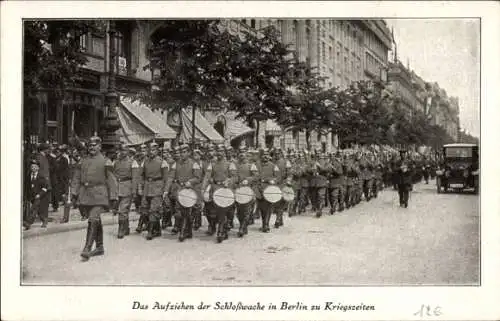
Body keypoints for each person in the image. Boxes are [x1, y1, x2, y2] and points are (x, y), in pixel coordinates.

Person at [71, 135, 117, 262]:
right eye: (90, 145)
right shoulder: (83, 161)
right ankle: (100, 246)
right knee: (96, 220)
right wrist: (74, 193)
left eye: (94, 145)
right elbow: (76, 178)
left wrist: (114, 197)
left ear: (100, 146)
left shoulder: (106, 161)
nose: (91, 147)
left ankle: (87, 248)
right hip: (85, 195)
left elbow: (111, 180)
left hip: (99, 195)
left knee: (93, 219)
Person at [166, 144, 202, 242]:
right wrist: (166, 189)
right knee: (179, 211)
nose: (182, 154)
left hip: (189, 190)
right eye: (181, 152)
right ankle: (187, 231)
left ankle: (184, 232)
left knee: (187, 211)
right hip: (179, 189)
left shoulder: (194, 163)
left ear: (189, 153)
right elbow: (170, 177)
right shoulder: (176, 163)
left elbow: (198, 178)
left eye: (184, 152)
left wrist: (190, 182)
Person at [141, 141, 170, 240]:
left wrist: (165, 190)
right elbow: (142, 175)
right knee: (146, 208)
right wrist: (141, 187)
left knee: (154, 209)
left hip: (158, 187)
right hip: (147, 187)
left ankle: (151, 231)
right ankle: (157, 230)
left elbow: (166, 178)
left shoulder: (162, 162)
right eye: (150, 150)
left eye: (153, 150)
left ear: (157, 151)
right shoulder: (145, 161)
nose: (151, 152)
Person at [113, 144, 140, 239]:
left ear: (128, 151)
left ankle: (121, 229)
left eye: (125, 150)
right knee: (123, 209)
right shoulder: (116, 162)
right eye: (121, 150)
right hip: (117, 187)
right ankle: (126, 228)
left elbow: (135, 177)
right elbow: (113, 175)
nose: (123, 152)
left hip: (127, 186)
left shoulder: (133, 162)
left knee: (123, 210)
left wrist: (134, 190)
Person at [233, 146, 258, 237]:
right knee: (239, 211)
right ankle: (243, 225)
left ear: (246, 153)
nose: (242, 154)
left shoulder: (251, 165)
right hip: (237, 190)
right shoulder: (234, 165)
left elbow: (256, 176)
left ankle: (242, 227)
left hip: (248, 190)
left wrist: (248, 179)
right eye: (240, 152)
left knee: (246, 210)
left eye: (243, 152)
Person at [256, 149, 280, 233]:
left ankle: (266, 225)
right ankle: (264, 224)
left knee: (268, 207)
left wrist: (272, 180)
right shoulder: (256, 165)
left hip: (269, 188)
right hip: (259, 189)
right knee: (262, 208)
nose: (265, 156)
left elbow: (277, 177)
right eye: (264, 154)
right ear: (261, 156)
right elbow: (254, 175)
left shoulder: (273, 166)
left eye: (267, 154)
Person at [23, 159, 50, 230]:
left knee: (34, 209)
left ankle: (28, 223)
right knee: (38, 210)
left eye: (35, 167)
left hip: (42, 196)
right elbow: (27, 186)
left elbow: (45, 187)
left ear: (38, 168)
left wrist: (40, 194)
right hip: (33, 196)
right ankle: (44, 220)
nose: (33, 168)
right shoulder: (29, 175)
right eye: (32, 167)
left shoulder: (41, 176)